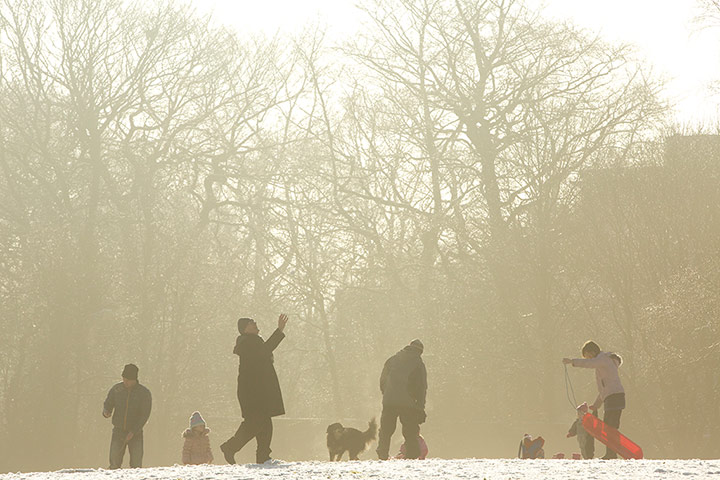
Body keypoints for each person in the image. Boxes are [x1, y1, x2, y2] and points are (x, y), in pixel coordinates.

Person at [220, 313, 289, 465]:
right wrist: (279, 330)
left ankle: (263, 456)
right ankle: (230, 447)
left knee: (264, 422)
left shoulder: (252, 341)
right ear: (244, 329)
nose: (255, 323)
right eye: (251, 323)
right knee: (255, 422)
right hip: (252, 393)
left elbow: (263, 352)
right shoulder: (247, 342)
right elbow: (265, 351)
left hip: (257, 391)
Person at [563, 340, 625, 459]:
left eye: (588, 356)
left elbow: (589, 363)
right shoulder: (602, 366)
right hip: (613, 397)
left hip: (615, 397)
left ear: (592, 352)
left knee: (610, 427)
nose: (588, 359)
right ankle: (611, 453)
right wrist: (596, 405)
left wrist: (572, 361)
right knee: (610, 426)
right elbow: (604, 390)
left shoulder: (603, 359)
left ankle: (612, 454)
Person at [376, 339, 427, 460]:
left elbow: (382, 381)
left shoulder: (392, 359)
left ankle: (382, 453)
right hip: (408, 403)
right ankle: (412, 456)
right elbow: (422, 388)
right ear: (420, 352)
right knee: (410, 430)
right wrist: (420, 408)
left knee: (386, 429)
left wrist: (387, 394)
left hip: (389, 401)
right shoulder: (418, 363)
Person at [102, 364, 152, 469]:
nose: (125, 381)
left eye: (128, 380)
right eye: (124, 378)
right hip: (118, 431)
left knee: (136, 466)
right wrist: (106, 411)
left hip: (136, 434)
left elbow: (144, 415)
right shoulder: (116, 389)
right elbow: (108, 403)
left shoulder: (144, 393)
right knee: (114, 463)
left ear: (134, 379)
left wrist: (133, 431)